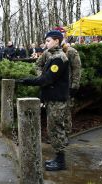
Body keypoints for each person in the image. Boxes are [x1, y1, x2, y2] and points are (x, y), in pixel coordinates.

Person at [17, 30, 69, 171]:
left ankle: (61, 161)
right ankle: (58, 158)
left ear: (57, 41)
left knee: (56, 128)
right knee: (53, 128)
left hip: (57, 100)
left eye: (48, 41)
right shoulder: (52, 56)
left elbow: (48, 79)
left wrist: (29, 81)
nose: (45, 43)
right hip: (52, 98)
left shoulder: (59, 58)